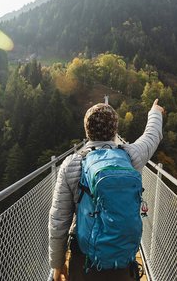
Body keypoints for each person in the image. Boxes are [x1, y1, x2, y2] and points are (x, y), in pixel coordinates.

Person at [48, 99, 164, 281]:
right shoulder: (131, 157)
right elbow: (152, 136)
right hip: (122, 261)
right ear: (115, 130)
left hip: (85, 261)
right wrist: (155, 112)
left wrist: (57, 263)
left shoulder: (72, 164)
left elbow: (58, 220)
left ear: (87, 130)